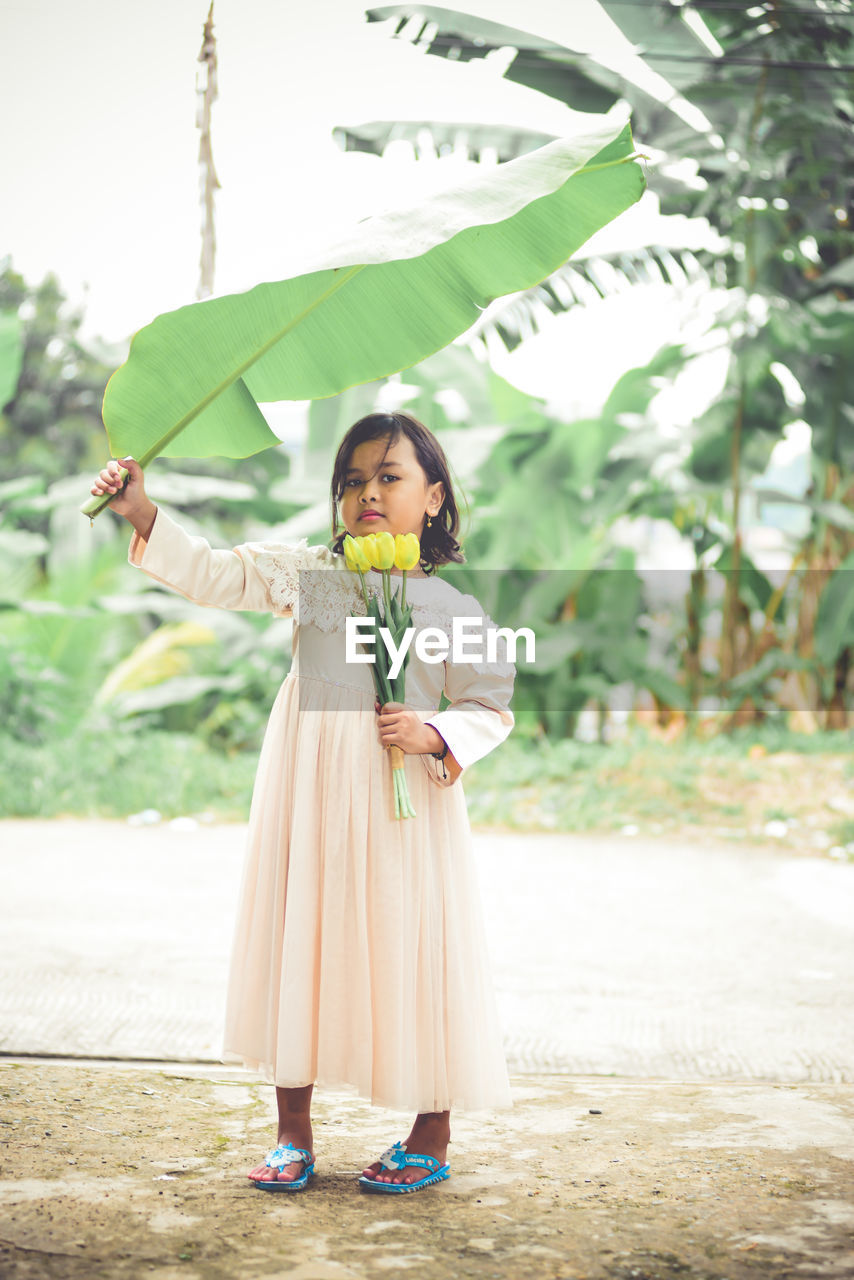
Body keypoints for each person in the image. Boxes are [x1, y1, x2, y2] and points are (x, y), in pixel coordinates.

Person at [89, 411, 516, 1195]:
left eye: (390, 477)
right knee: (301, 938)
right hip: (309, 797)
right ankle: (293, 1132)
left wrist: (433, 734)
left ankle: (431, 1129)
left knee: (409, 941)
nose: (368, 494)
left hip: (401, 814)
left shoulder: (453, 609)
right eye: (352, 481)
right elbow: (219, 573)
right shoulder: (311, 577)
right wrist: (144, 514)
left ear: (434, 498)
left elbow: (491, 705)